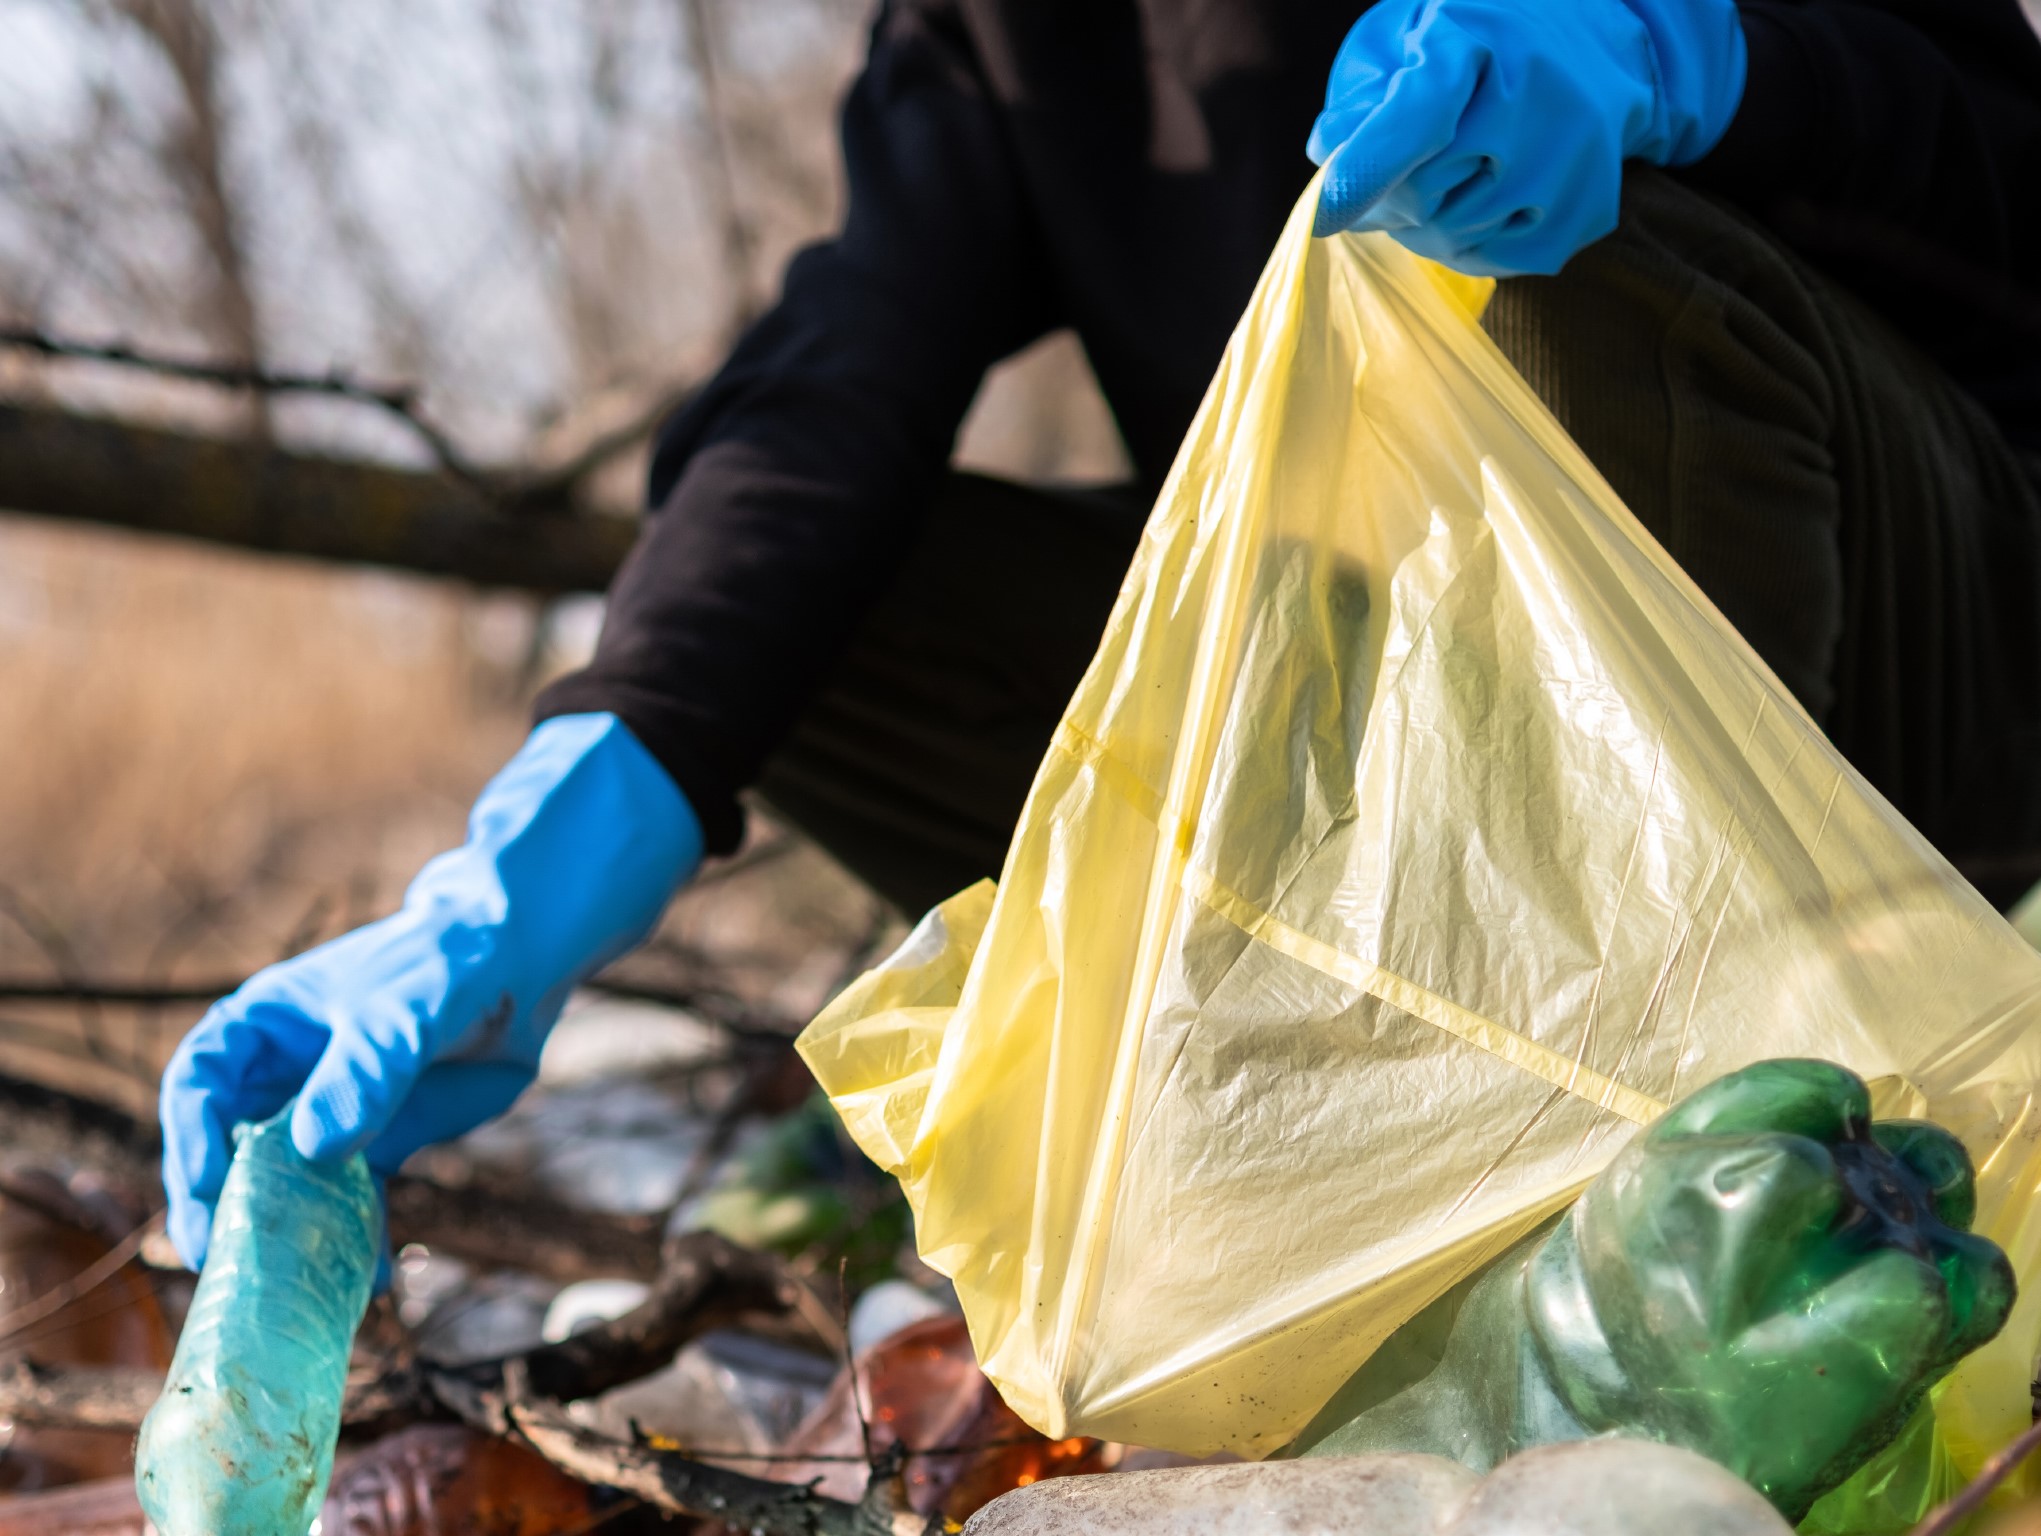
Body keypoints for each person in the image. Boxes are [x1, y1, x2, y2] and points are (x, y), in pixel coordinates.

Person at [160, 0, 2041, 1271]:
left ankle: (1715, 1147)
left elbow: (1994, 150)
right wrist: (529, 863)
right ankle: (1372, 1137)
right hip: (1419, 732)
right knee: (825, 607)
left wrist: (1674, 53)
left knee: (1594, 276)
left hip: (1893, 685)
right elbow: (833, 392)